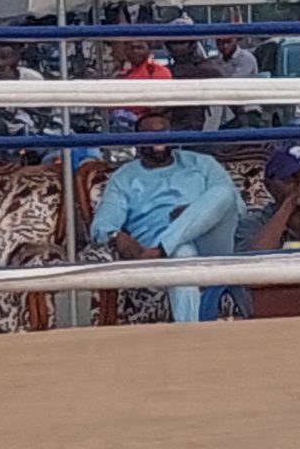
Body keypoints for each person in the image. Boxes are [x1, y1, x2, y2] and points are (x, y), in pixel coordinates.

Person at [89, 110, 243, 323]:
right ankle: (192, 340)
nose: (159, 139)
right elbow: (102, 225)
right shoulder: (124, 177)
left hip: (211, 243)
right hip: (163, 250)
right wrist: (116, 235)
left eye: (164, 133)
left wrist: (196, 212)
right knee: (182, 252)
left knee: (223, 193)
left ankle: (161, 248)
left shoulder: (202, 163)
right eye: (150, 135)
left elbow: (236, 207)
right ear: (137, 141)